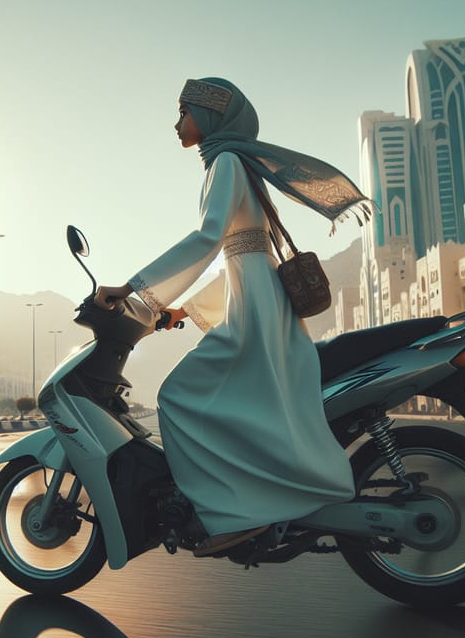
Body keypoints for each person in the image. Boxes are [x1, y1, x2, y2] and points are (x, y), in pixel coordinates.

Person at [94, 78, 368, 557]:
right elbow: (243, 257)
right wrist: (181, 308)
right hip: (258, 307)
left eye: (184, 112)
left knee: (177, 400)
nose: (177, 123)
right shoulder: (238, 164)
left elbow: (207, 240)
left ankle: (231, 515)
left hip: (254, 316)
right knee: (224, 410)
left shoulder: (225, 162)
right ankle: (248, 506)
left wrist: (134, 286)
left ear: (212, 116)